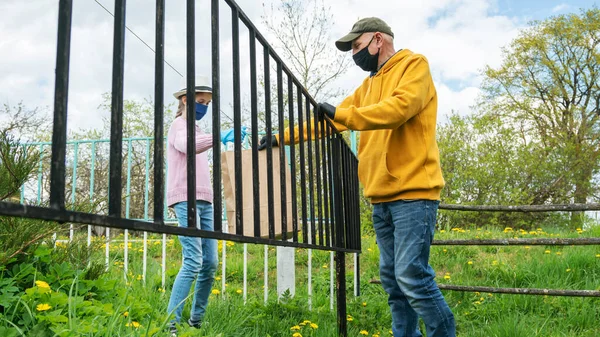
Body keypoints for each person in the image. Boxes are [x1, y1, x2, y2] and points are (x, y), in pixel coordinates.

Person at [258, 17, 456, 337]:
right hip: (381, 198)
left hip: (414, 195)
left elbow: (398, 109)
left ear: (378, 39)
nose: (354, 54)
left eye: (357, 46)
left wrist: (343, 114)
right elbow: (329, 122)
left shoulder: (414, 66)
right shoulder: (366, 88)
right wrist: (283, 137)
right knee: (393, 283)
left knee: (412, 277)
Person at [166, 75, 244, 335]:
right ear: (186, 101)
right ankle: (170, 325)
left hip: (205, 200)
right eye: (200, 102)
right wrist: (219, 137)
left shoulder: (198, 131)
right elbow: (185, 147)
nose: (204, 107)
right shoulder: (179, 125)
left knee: (210, 262)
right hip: (184, 198)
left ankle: (195, 321)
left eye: (208, 103)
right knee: (193, 261)